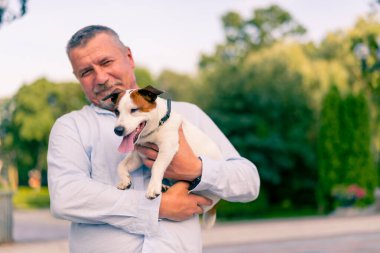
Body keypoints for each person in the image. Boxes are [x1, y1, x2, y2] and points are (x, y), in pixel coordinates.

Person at [47, 25, 260, 253]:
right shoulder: (70, 127)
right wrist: (157, 207)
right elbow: (66, 197)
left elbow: (248, 183)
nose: (100, 78)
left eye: (106, 62)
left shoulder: (188, 114)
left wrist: (195, 169)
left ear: (129, 57)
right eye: (86, 72)